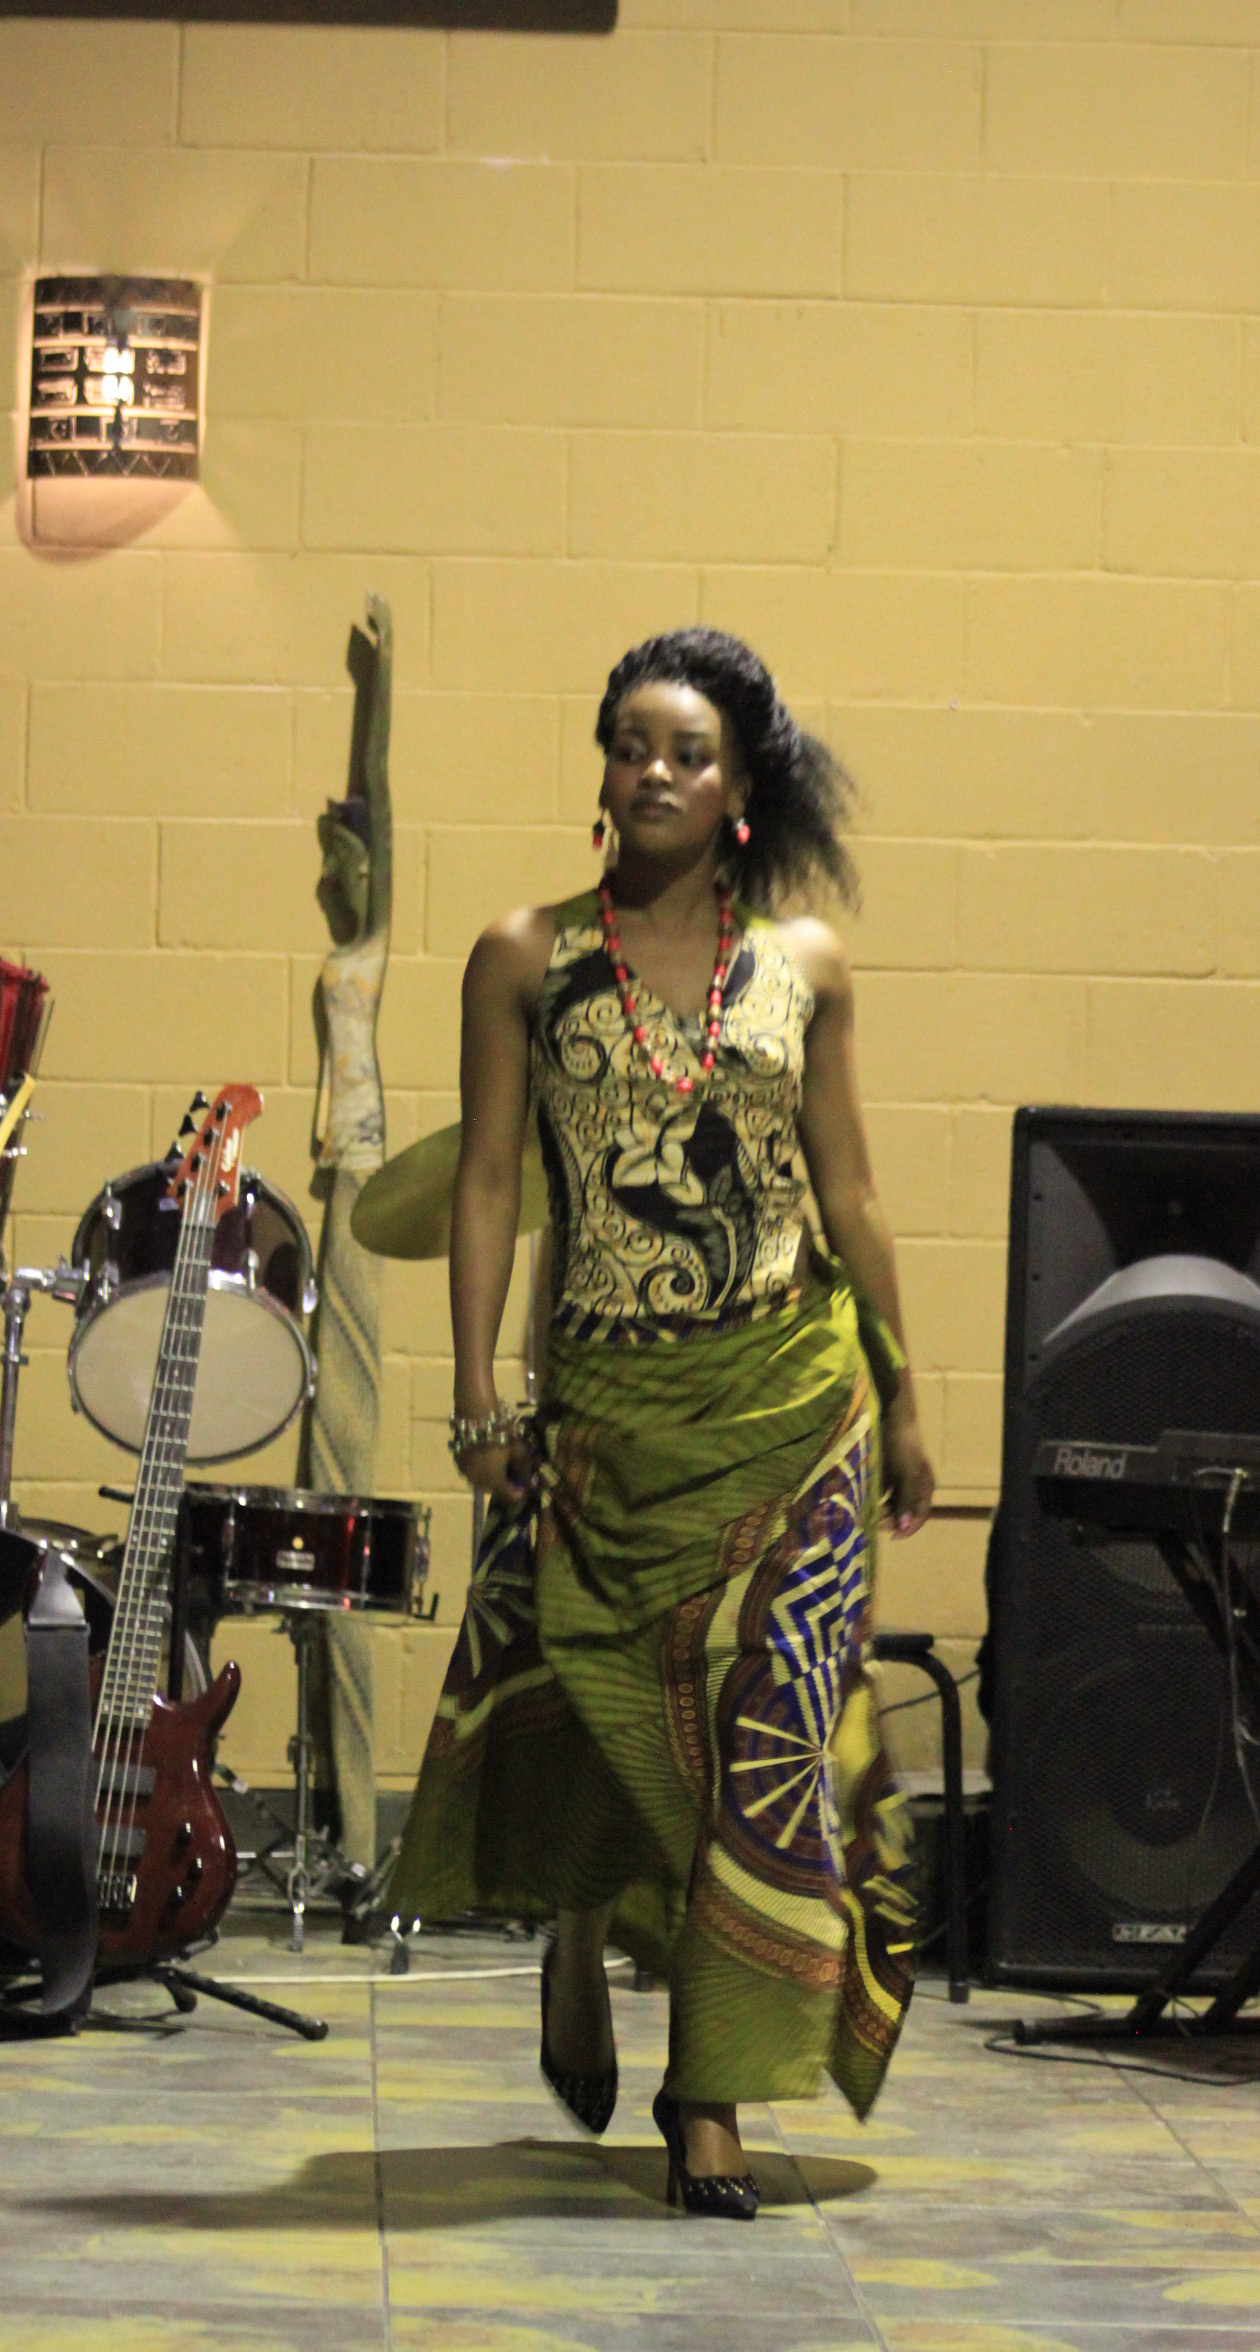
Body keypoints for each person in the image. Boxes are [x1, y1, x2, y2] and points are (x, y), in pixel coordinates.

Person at [389, 626, 934, 2219]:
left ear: (740, 785)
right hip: (609, 1419)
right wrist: (477, 1390)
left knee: (768, 1753)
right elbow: (488, 1180)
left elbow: (852, 1193)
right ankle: (576, 1928)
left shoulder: (807, 966)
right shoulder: (526, 957)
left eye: (688, 753)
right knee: (613, 1718)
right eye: (630, 745)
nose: (653, 774)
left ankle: (710, 2095)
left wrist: (908, 1394)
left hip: (796, 1410)